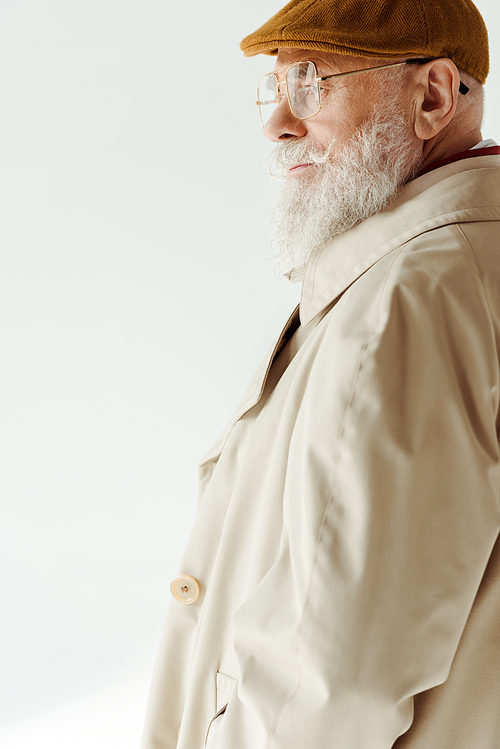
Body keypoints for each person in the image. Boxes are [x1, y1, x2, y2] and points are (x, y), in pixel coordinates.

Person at [141, 0, 500, 747]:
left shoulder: (409, 298)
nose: (276, 124)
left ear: (432, 96)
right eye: (276, 90)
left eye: (311, 83)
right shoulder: (453, 271)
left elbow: (332, 679)